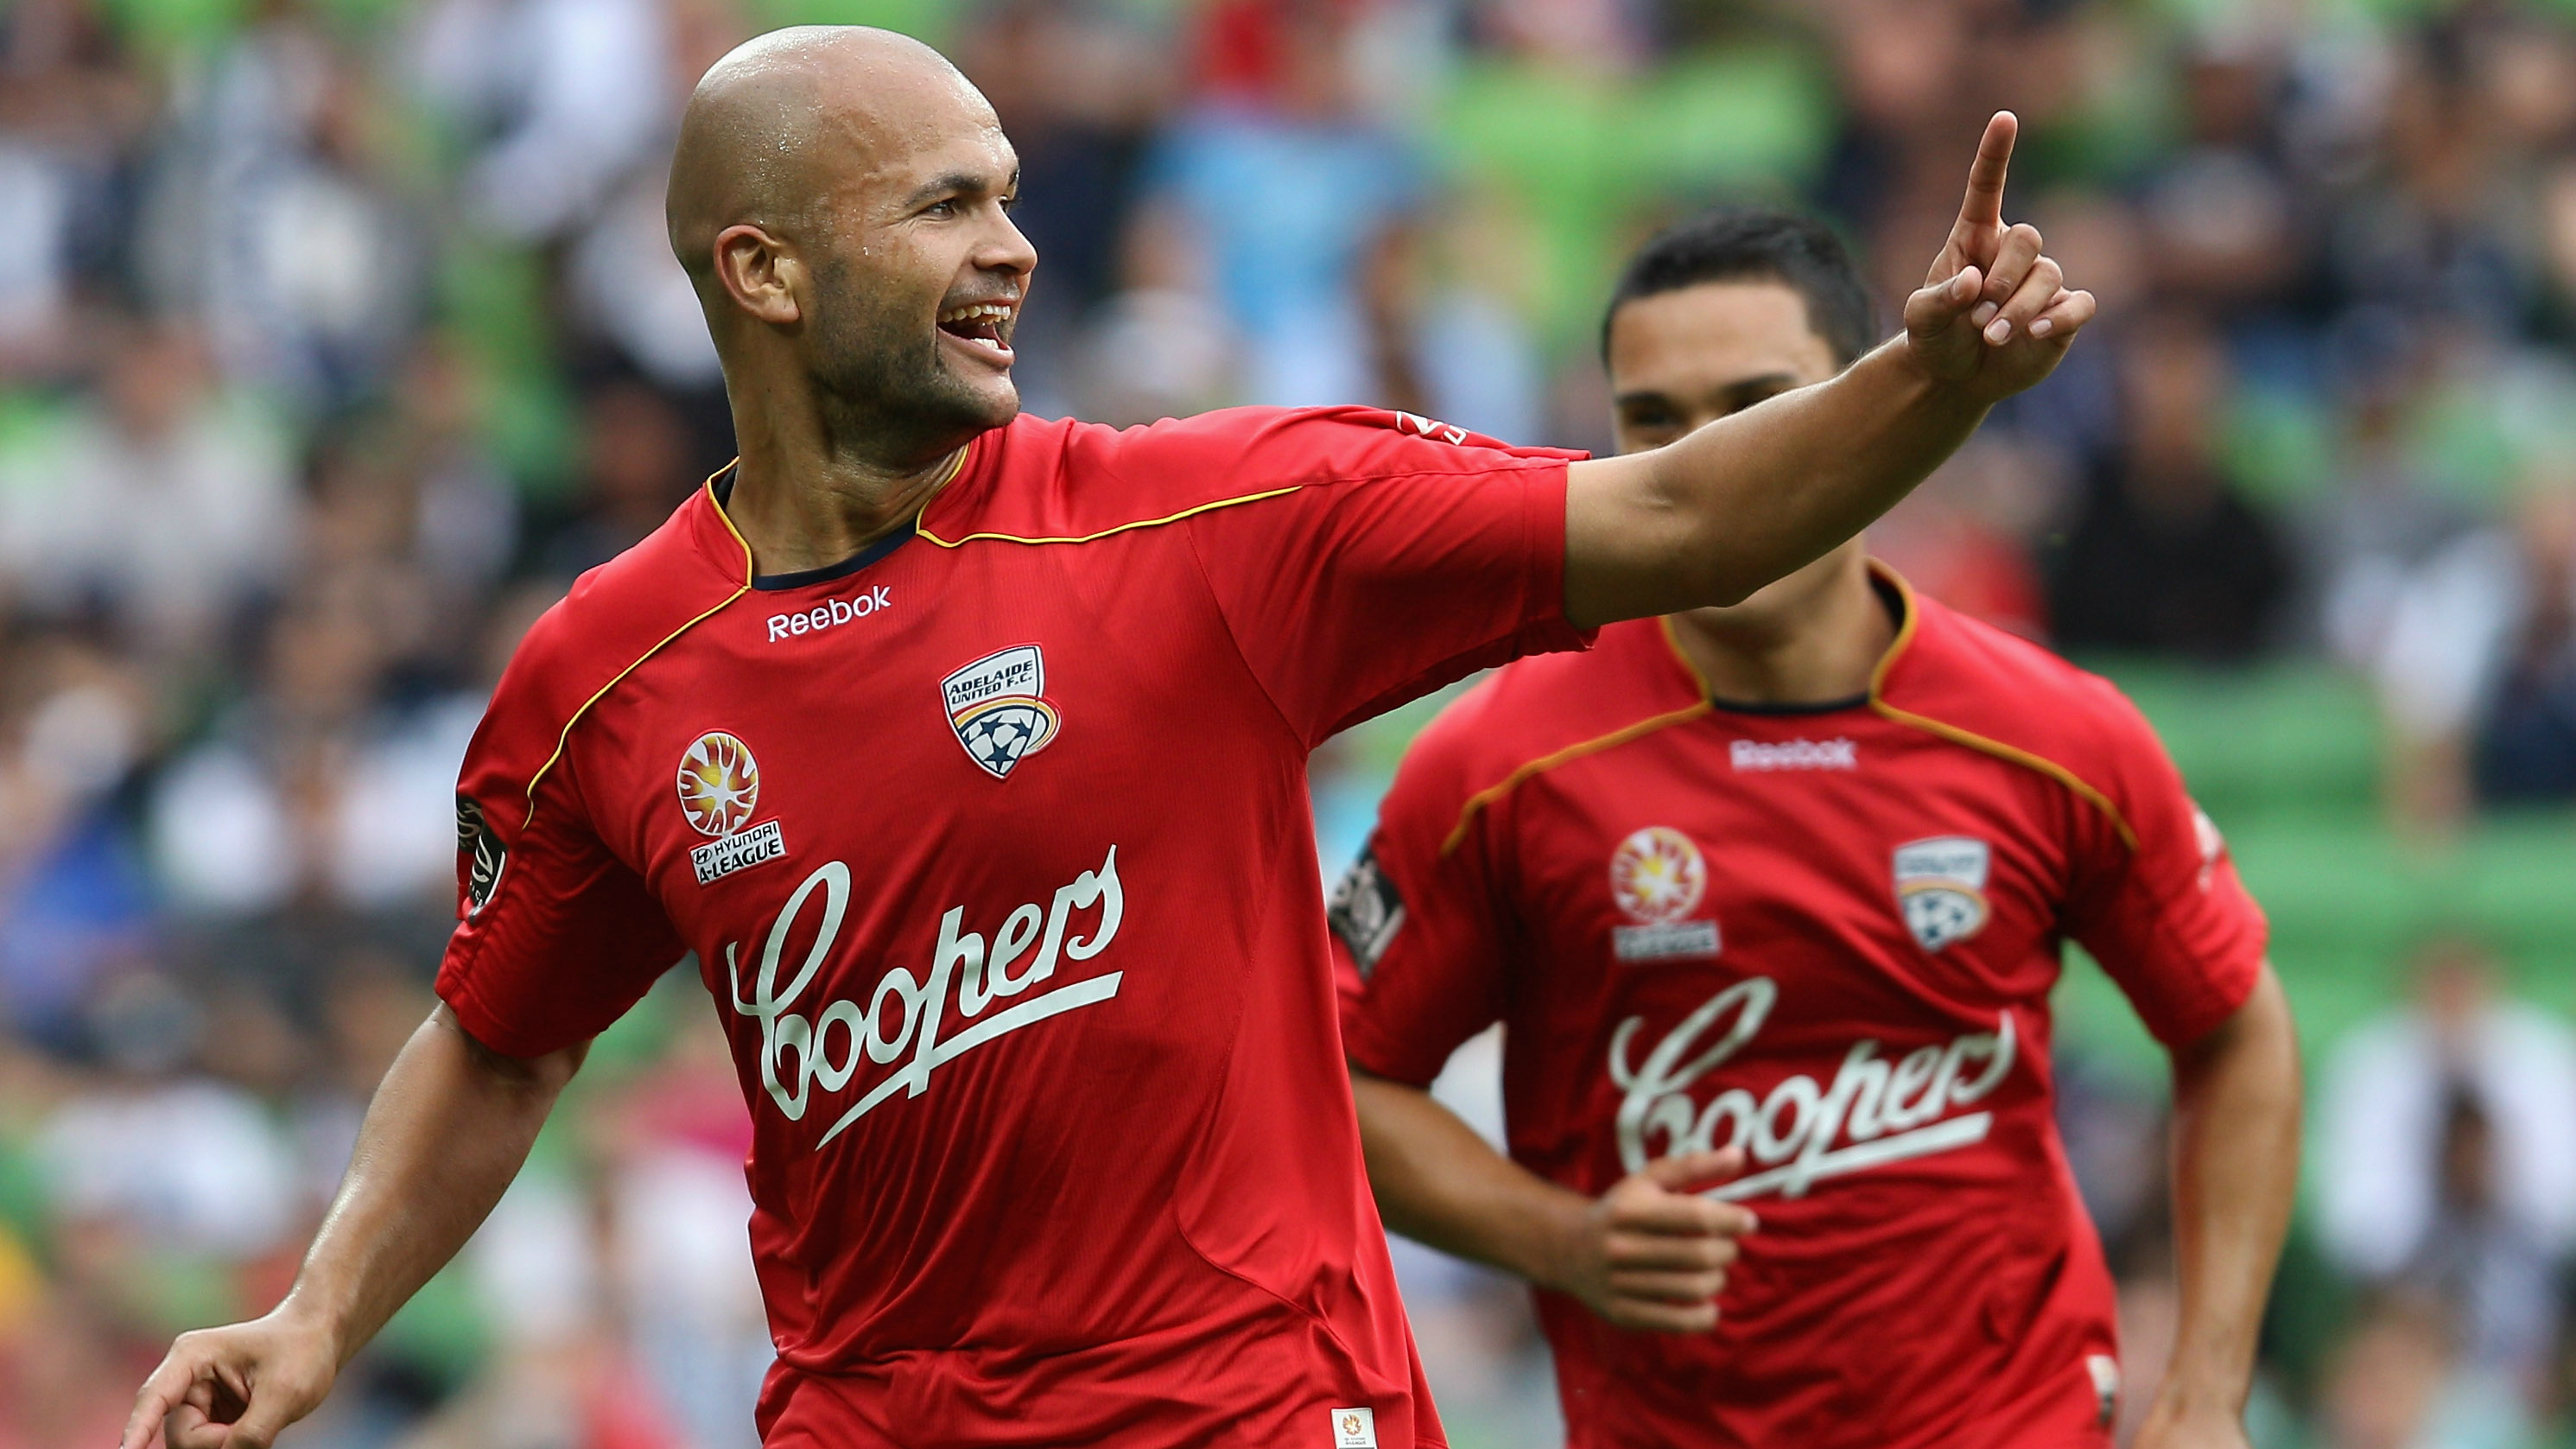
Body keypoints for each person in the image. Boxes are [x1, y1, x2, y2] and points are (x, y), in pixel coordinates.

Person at [124, 29, 2096, 1449]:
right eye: (946, 205)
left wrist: (1932, 385)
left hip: (1242, 1407)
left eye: (1010, 191)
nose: (1018, 245)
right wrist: (320, 1315)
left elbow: (1673, 516)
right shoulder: (609, 675)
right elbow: (503, 1032)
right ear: (767, 270)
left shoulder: (1223, 525)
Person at [1333, 207, 2299, 1448]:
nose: (1710, 456)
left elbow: (2236, 1027)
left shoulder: (2052, 731)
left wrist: (2208, 1393)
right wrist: (1560, 1240)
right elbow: (1341, 1072)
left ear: (1856, 414)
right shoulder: (1501, 758)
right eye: (1653, 421)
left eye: (1757, 403)